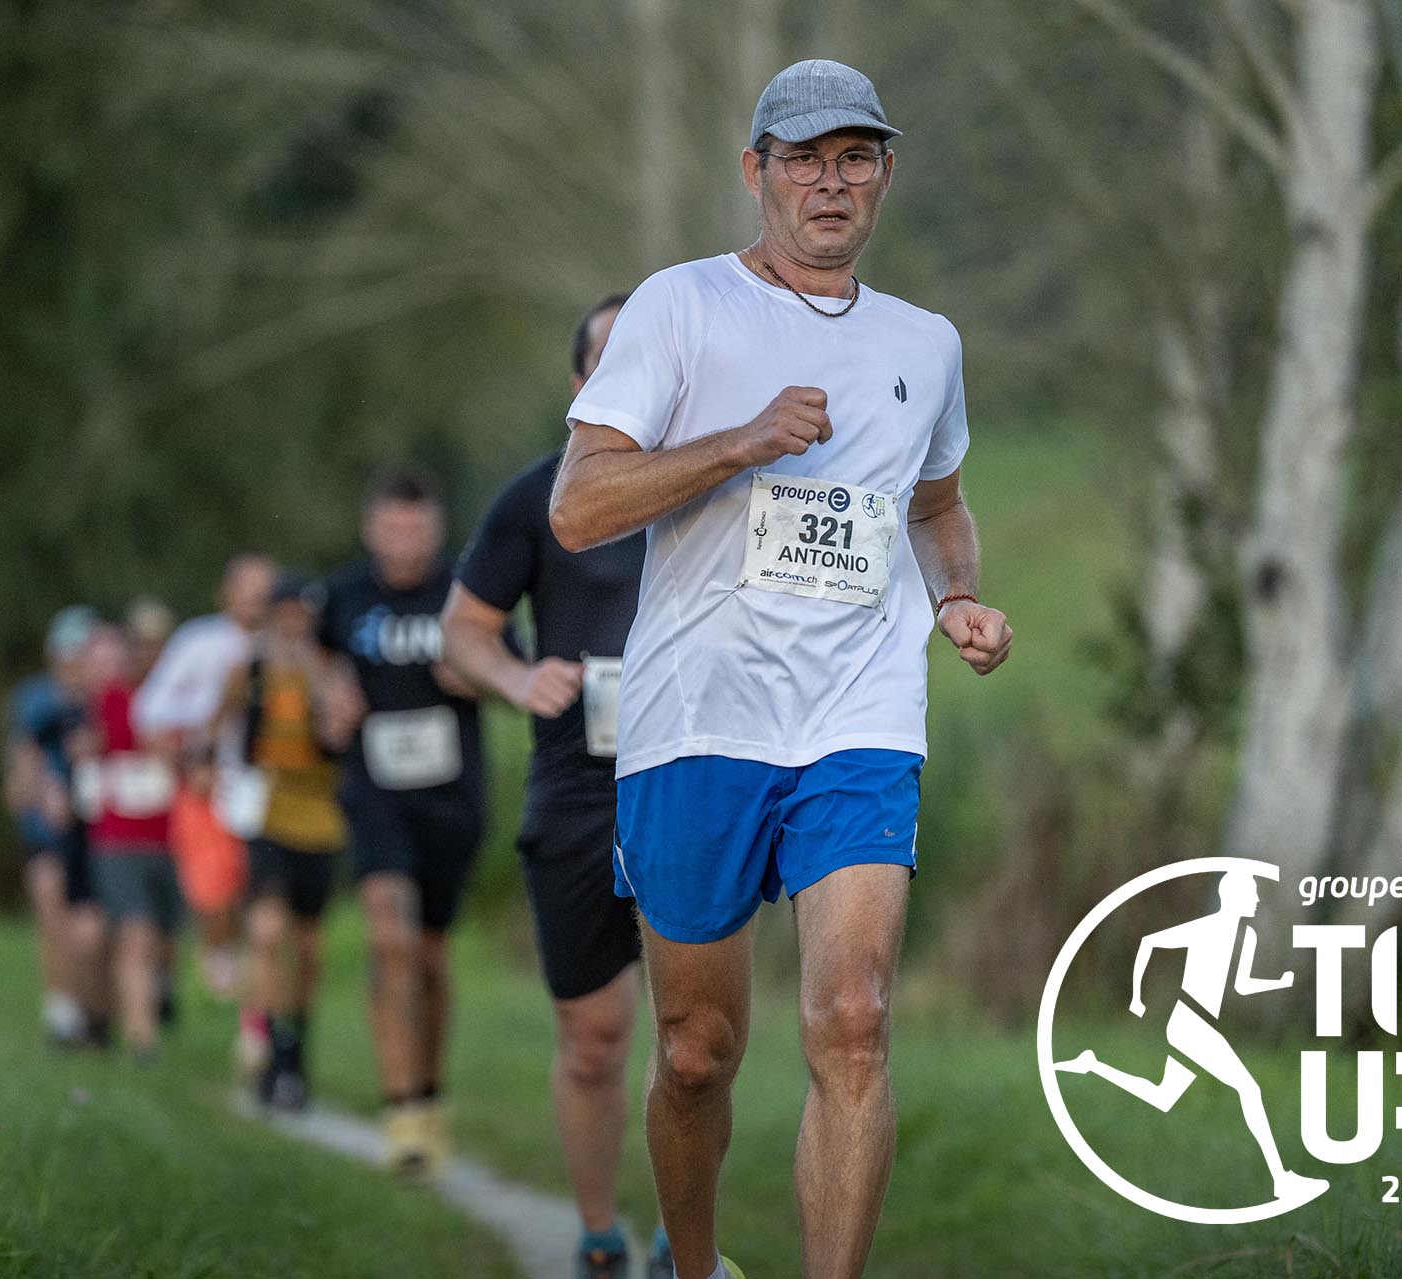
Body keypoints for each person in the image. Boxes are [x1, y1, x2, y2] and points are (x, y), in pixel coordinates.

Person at [548, 60, 1014, 1279]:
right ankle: (693, 1265)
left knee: (854, 1023)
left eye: (854, 158)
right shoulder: (681, 306)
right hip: (696, 721)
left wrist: (957, 595)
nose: (830, 183)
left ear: (886, 175)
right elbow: (579, 507)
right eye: (803, 159)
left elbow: (938, 504)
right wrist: (741, 442)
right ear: (755, 171)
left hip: (859, 717)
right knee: (697, 1049)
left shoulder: (927, 342)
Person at [442, 294, 665, 1279]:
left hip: (690, 783)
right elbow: (463, 630)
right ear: (580, 385)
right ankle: (600, 1236)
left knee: (694, 1038)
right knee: (595, 1036)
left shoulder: (716, 482)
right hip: (576, 789)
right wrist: (516, 676)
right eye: (613, 358)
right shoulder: (537, 497)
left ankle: (684, 1239)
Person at [318, 469, 487, 1180]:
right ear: (371, 529)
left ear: (437, 530)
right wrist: (330, 696)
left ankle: (430, 1091)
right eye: (393, 527)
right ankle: (402, 1112)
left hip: (451, 796)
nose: (405, 541)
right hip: (375, 790)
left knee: (430, 956)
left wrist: (474, 673)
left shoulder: (466, 590)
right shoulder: (343, 595)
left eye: (417, 528)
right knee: (390, 936)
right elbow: (318, 665)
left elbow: (511, 663)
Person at [1054, 870, 1328, 1206]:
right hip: (1190, 1021)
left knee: (1162, 1096)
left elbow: (1242, 985)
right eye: (1252, 893)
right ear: (1233, 897)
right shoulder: (1205, 928)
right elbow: (1150, 942)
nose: (1257, 899)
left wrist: (1278, 983)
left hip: (1199, 1023)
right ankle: (1281, 1180)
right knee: (1249, 1089)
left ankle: (1093, 1064)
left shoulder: (1246, 936)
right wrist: (1137, 997)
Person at [213, 572, 352, 1111]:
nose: (292, 628)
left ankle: (296, 1049)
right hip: (266, 816)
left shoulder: (332, 668)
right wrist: (207, 764)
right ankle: (268, 1047)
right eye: (284, 617)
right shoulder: (248, 671)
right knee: (269, 933)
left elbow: (342, 730)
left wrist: (316, 679)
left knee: (309, 945)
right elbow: (217, 726)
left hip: (321, 821)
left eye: (301, 618)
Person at [135, 555, 278, 998]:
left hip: (274, 784)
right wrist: (190, 761)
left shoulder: (288, 643)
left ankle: (261, 1007)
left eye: (265, 589)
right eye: (247, 588)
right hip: (211, 783)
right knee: (215, 889)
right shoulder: (200, 642)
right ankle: (220, 953)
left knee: (264, 895)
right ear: (225, 593)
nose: (257, 599)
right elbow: (150, 713)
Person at [7, 605, 109, 1047]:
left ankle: (94, 1012)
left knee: (92, 929)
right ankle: (61, 1007)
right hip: (47, 829)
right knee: (51, 903)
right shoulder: (36, 700)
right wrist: (37, 794)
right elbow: (21, 760)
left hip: (96, 830)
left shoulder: (106, 700)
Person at [81, 624, 183, 1063]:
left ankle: (144, 1000)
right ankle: (142, 1041)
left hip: (170, 839)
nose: (147, 657)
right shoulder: (110, 699)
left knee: (164, 941)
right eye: (139, 648)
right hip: (117, 838)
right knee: (134, 935)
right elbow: (90, 744)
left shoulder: (179, 699)